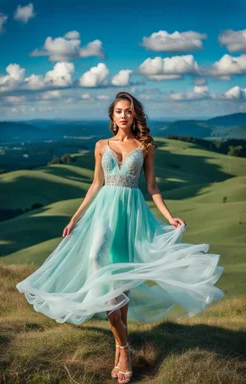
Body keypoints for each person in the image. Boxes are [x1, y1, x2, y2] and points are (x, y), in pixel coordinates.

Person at [16, 91, 225, 384]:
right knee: (95, 257)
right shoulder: (101, 146)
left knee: (122, 277)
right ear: (112, 116)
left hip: (131, 215)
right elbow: (95, 185)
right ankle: (124, 345)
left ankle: (120, 346)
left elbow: (152, 187)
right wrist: (75, 218)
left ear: (134, 115)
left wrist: (169, 217)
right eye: (118, 111)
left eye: (128, 111)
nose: (123, 115)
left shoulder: (145, 146)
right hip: (103, 212)